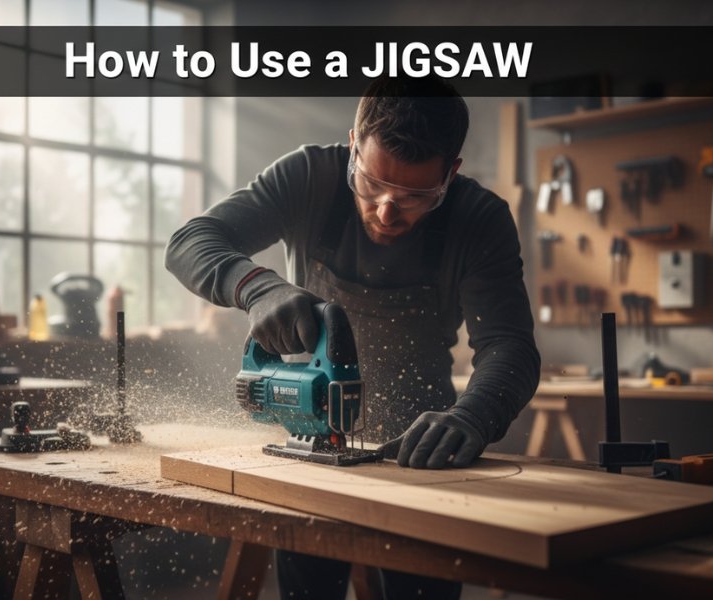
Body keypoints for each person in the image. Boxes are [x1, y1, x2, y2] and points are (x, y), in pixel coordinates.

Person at [165, 76, 540, 599]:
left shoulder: (479, 219)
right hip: (309, 441)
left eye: (414, 196)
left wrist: (471, 417)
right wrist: (257, 288)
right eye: (371, 183)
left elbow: (510, 347)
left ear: (450, 175)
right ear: (352, 145)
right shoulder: (309, 176)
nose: (386, 211)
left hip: (419, 452)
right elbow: (189, 242)